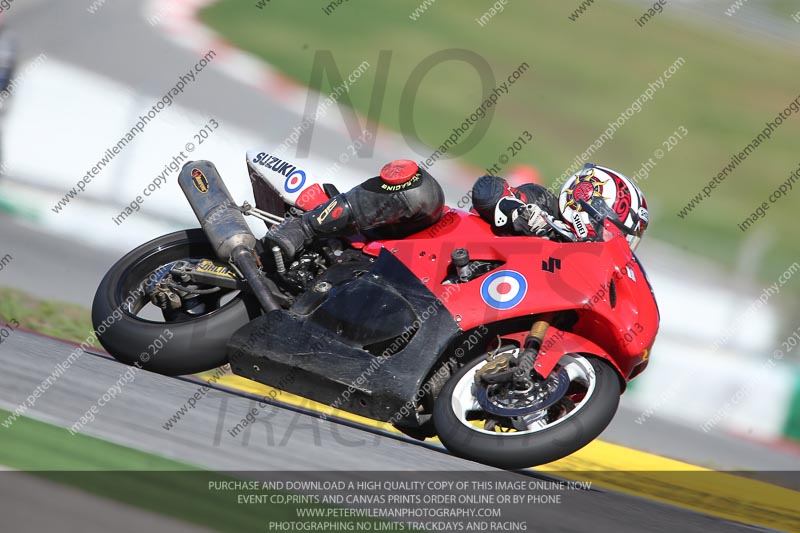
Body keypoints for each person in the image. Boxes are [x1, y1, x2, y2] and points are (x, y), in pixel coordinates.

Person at [265, 160, 649, 258]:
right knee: (422, 191)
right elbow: (486, 189)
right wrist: (519, 213)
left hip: (457, 297)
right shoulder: (544, 203)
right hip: (424, 244)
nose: (622, 242)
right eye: (623, 231)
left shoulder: (576, 266)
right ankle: (304, 228)